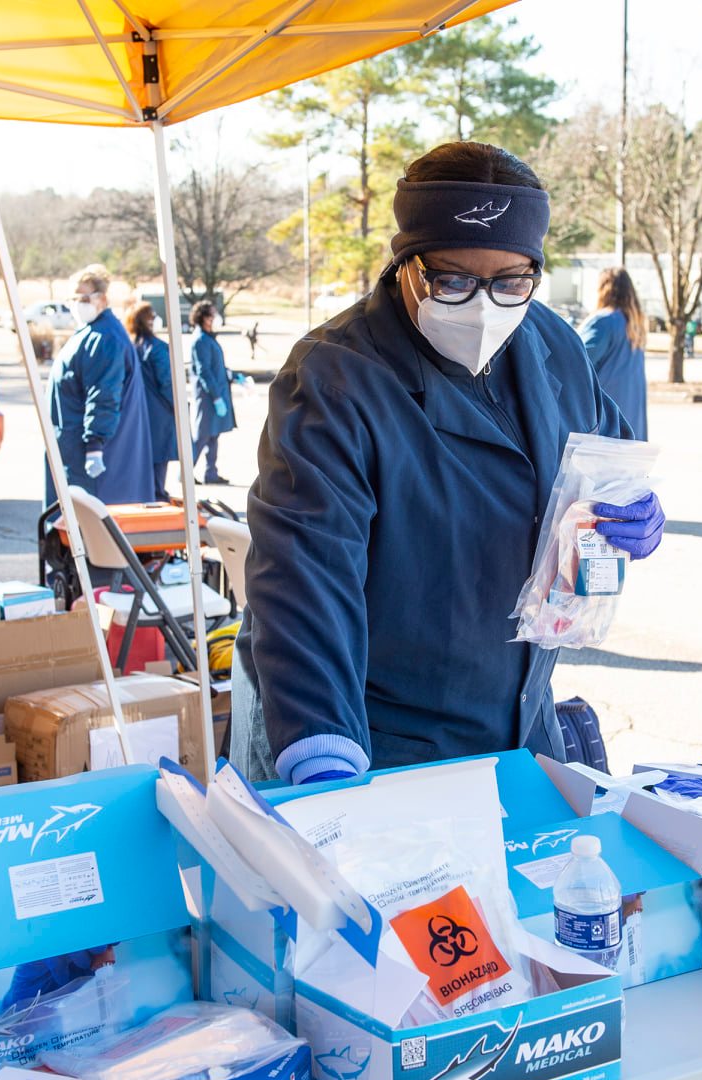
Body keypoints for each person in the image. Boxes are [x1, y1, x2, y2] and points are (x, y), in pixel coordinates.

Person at [231, 141, 666, 786]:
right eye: (453, 280)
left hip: (516, 717)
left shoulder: (552, 345)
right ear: (406, 263)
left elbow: (605, 454)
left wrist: (633, 510)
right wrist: (323, 751)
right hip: (370, 733)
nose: (484, 306)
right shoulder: (335, 378)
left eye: (512, 280)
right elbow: (305, 573)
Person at [45, 265, 154, 505]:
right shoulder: (91, 332)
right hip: (70, 445)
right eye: (73, 298)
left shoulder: (105, 339)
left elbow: (104, 394)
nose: (77, 303)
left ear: (102, 299)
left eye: (83, 298)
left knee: (84, 526)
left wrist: (95, 445)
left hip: (88, 456)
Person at [579, 267, 649, 440]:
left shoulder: (604, 321)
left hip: (605, 426)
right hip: (631, 425)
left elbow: (574, 362)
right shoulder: (634, 324)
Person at [127, 302, 177, 502]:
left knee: (142, 458)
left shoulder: (131, 346)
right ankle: (158, 496)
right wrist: (179, 406)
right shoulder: (156, 349)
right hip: (160, 411)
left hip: (138, 410)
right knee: (158, 459)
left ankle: (148, 494)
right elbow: (167, 382)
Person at [189, 301, 235, 486]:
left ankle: (211, 473)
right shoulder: (200, 340)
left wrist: (233, 375)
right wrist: (216, 396)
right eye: (212, 315)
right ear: (204, 318)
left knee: (213, 434)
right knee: (202, 435)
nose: (215, 318)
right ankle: (186, 472)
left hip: (217, 393)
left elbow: (216, 367)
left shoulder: (209, 338)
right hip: (208, 396)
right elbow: (204, 371)